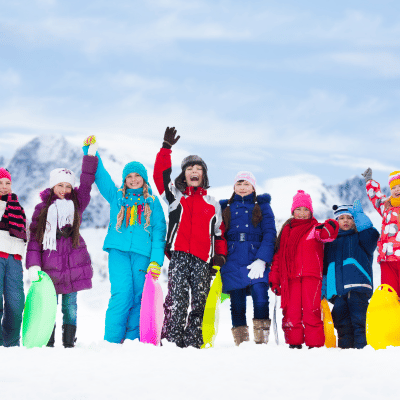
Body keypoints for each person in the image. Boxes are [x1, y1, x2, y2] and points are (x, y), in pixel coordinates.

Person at [83, 137, 166, 344]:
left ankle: (132, 340)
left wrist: (156, 261)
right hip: (118, 252)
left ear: (144, 178)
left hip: (143, 255)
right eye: (129, 176)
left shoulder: (153, 203)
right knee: (121, 294)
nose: (133, 179)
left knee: (139, 297)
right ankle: (111, 341)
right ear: (124, 179)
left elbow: (159, 233)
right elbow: (101, 177)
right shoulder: (117, 196)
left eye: (138, 175)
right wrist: (90, 152)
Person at [153, 127, 227, 348]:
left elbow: (219, 233)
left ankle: (194, 340)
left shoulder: (213, 203)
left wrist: (220, 256)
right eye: (189, 168)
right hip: (179, 256)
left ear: (203, 175)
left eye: (198, 169)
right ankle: (172, 339)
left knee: (200, 301)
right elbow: (160, 176)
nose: (194, 172)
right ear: (183, 174)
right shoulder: (176, 197)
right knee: (177, 299)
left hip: (203, 260)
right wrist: (166, 149)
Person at [26, 138, 98, 348]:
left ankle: (68, 341)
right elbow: (34, 239)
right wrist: (34, 264)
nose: (64, 189)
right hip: (49, 267)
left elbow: (86, 184)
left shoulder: (77, 205)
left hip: (72, 266)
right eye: (60, 185)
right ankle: (47, 340)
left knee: (71, 306)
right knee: (48, 305)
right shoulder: (42, 209)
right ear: (53, 185)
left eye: (68, 186)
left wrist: (89, 157)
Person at [269, 190, 339, 349]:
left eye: (305, 209)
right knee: (291, 312)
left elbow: (327, 235)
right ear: (292, 211)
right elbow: (279, 256)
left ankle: (314, 345)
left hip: (311, 276)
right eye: (298, 209)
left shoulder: (315, 228)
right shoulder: (286, 230)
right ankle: (294, 344)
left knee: (311, 311)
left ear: (311, 211)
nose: (301, 213)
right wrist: (274, 278)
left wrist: (331, 225)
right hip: (290, 278)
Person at [220, 171, 276, 346]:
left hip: (256, 259)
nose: (242, 188)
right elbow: (218, 233)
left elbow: (270, 233)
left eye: (246, 184)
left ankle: (261, 341)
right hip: (232, 260)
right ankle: (241, 343)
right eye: (239, 184)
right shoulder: (225, 208)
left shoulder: (263, 207)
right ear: (234, 187)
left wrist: (262, 259)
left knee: (261, 297)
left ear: (253, 187)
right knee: (237, 303)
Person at [323, 201, 379, 349]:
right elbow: (324, 268)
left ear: (355, 221)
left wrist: (360, 215)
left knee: (360, 322)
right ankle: (346, 355)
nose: (346, 221)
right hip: (338, 293)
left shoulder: (361, 239)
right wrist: (325, 288)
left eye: (350, 217)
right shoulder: (330, 242)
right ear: (336, 221)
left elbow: (372, 235)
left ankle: (362, 352)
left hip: (358, 289)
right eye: (342, 218)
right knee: (342, 325)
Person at [0, 168, 27, 347]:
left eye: (7, 183)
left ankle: (10, 343)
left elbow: (23, 235)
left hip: (15, 258)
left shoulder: (17, 207)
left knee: (16, 304)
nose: (4, 187)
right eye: (0, 183)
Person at [362, 168, 400, 295]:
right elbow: (375, 197)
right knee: (389, 295)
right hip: (387, 259)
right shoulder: (386, 206)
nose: (397, 190)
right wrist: (369, 181)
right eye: (394, 187)